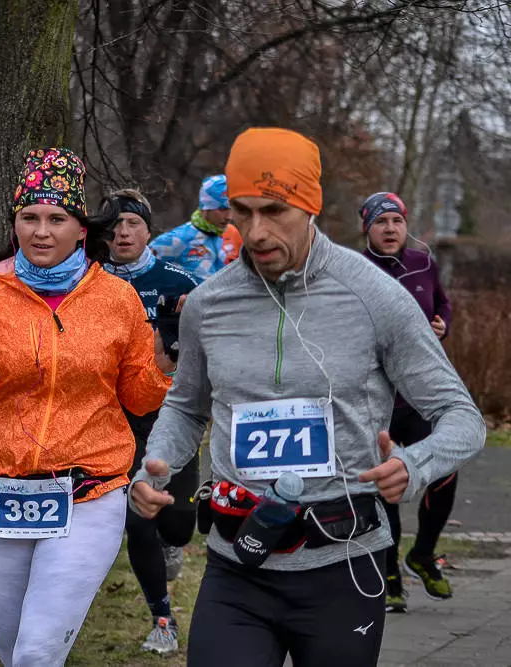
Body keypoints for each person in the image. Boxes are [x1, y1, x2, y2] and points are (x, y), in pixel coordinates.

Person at [129, 128, 485, 667]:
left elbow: (461, 417)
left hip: (342, 563)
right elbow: (185, 405)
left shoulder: (375, 297)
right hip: (236, 565)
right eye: (241, 212)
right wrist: (154, 468)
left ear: (310, 205)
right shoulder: (208, 305)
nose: (256, 232)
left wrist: (414, 464)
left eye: (274, 210)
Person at [0, 148, 174, 667]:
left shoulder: (116, 298)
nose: (42, 231)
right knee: (14, 654)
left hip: (89, 494)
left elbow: (140, 399)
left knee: (36, 653)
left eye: (57, 219)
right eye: (29, 218)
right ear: (15, 224)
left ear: (81, 228)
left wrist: (162, 366)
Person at [102, 188, 200, 654]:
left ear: (148, 230)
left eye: (132, 224)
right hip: (114, 419)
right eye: (114, 225)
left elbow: (207, 347)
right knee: (138, 521)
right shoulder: (87, 281)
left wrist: (178, 331)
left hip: (170, 417)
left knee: (180, 521)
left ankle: (173, 543)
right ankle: (162, 618)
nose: (122, 233)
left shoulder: (179, 281)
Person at [360, 191, 456, 611]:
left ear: (405, 225)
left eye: (396, 221)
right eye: (381, 222)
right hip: (377, 399)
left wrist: (442, 325)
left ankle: (423, 553)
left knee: (444, 472)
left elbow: (443, 306)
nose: (390, 229)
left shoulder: (424, 264)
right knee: (388, 485)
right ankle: (390, 571)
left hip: (420, 396)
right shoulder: (354, 270)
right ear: (368, 228)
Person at [149, 174, 242, 281]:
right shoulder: (176, 239)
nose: (229, 217)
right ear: (205, 208)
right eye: (222, 209)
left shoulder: (233, 233)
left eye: (232, 208)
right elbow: (142, 268)